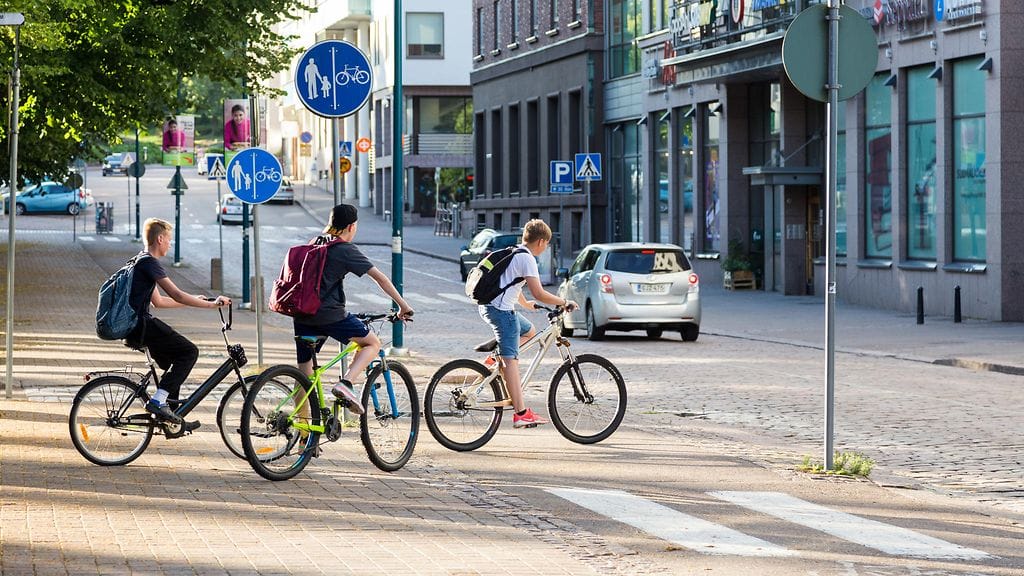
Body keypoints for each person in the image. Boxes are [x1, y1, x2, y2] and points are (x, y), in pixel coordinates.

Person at [291, 204, 414, 414]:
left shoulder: (315, 243)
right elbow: (380, 278)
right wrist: (403, 306)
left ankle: (303, 436)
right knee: (372, 342)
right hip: (329, 316)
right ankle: (346, 384)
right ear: (351, 226)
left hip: (302, 315)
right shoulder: (344, 249)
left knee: (305, 377)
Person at [127, 218, 231, 430]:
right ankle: (158, 402)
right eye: (169, 240)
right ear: (160, 238)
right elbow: (175, 294)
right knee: (189, 352)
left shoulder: (141, 260)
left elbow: (159, 301)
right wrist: (211, 306)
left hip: (137, 327)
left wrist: (196, 299)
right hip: (141, 325)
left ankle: (172, 416)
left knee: (174, 363)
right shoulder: (149, 263)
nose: (170, 244)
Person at [478, 219, 577, 428]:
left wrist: (525, 303)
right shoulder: (528, 259)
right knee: (511, 360)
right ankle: (521, 413)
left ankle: (496, 358)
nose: (547, 247)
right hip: (501, 312)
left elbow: (509, 282)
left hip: (493, 306)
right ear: (541, 241)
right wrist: (564, 302)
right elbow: (539, 292)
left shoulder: (516, 251)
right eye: (547, 243)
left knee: (529, 330)